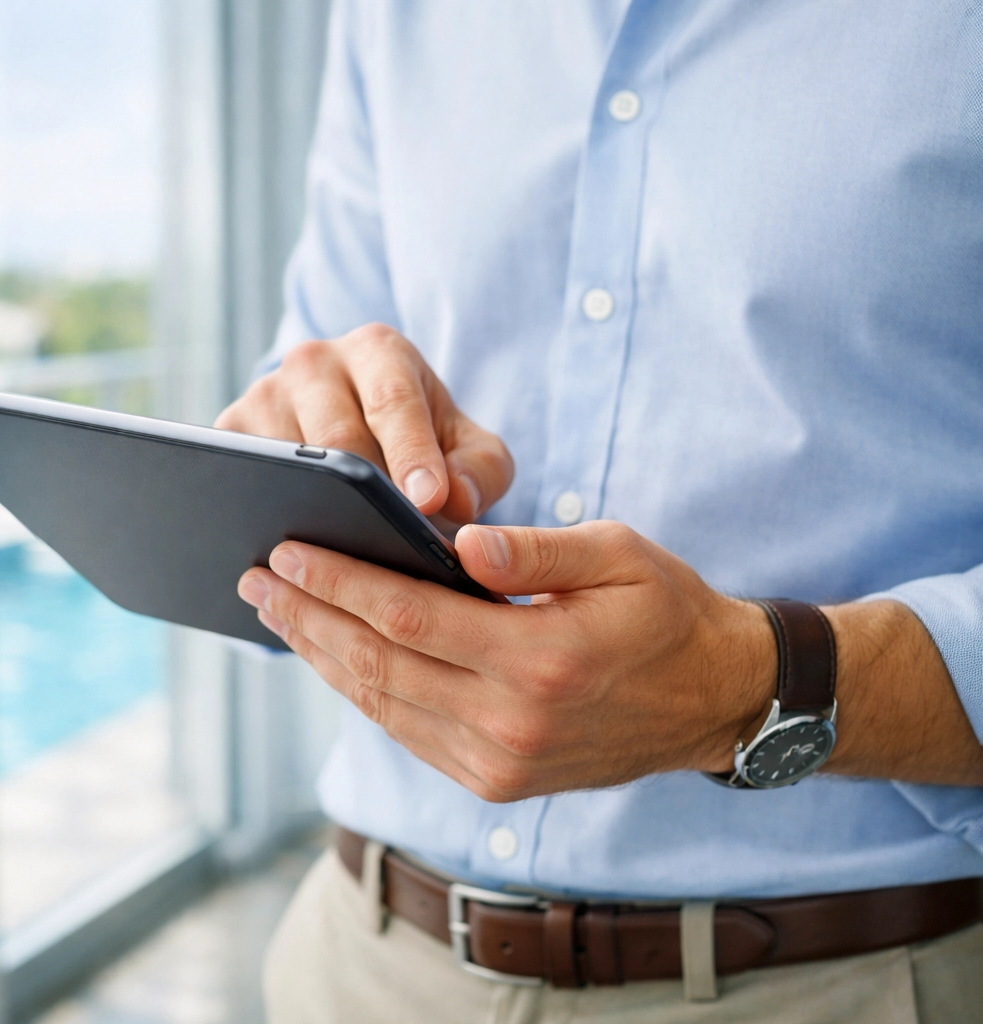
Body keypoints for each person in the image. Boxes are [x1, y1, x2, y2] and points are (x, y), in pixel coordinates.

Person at [216, 3, 983, 1021]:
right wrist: (302, 434)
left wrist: (744, 687)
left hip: (854, 982)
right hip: (359, 961)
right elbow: (310, 366)